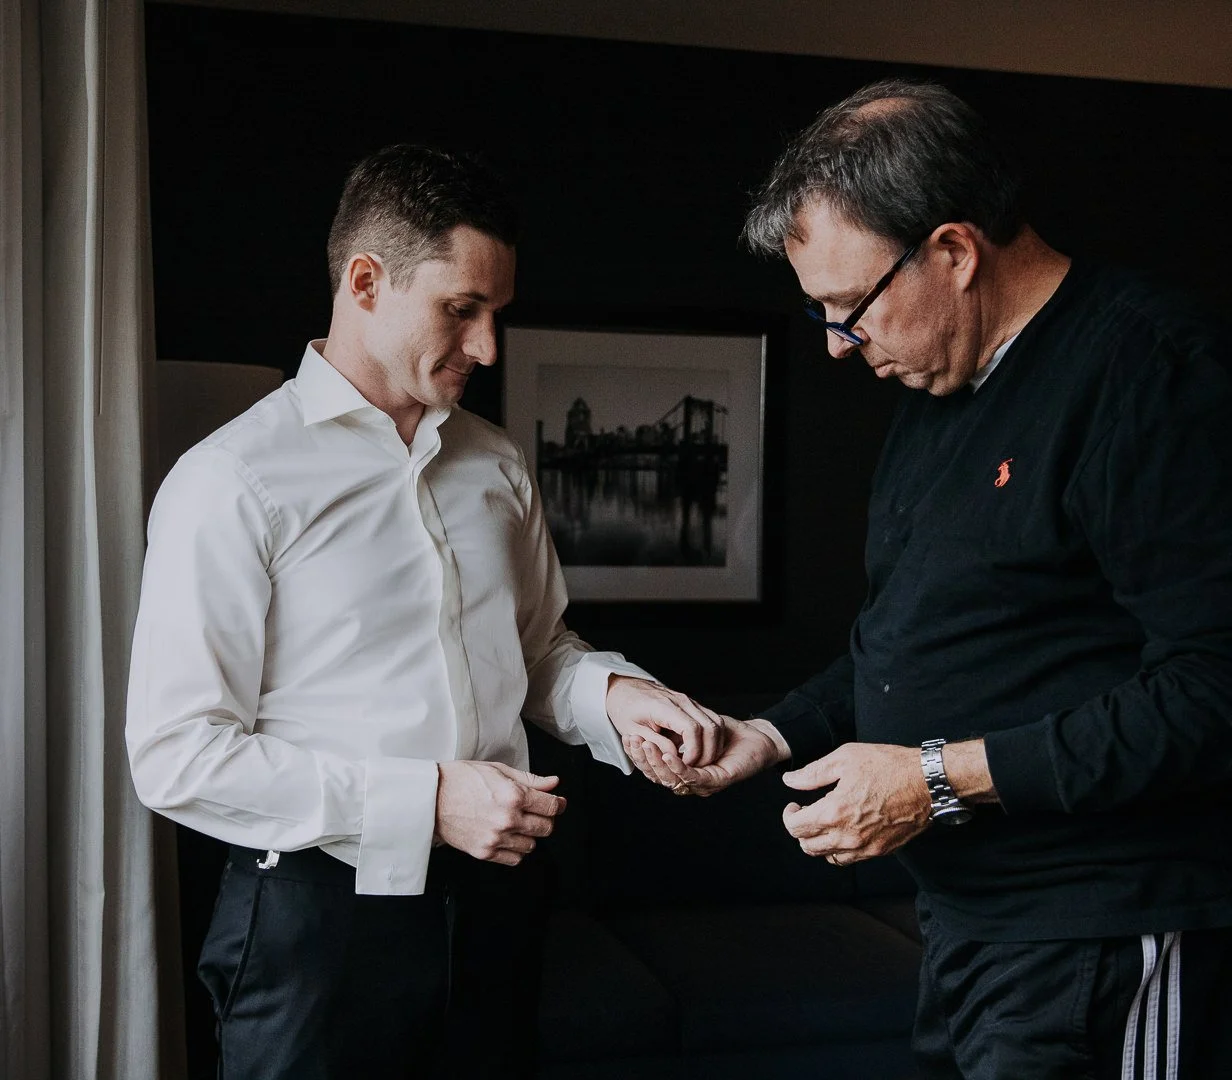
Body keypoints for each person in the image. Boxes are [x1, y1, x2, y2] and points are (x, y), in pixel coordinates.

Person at [626, 79, 1232, 1079]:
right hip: (965, 929)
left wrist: (937, 778)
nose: (834, 343)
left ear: (951, 252)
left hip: (1103, 930)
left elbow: (1214, 688)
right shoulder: (935, 385)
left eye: (846, 307)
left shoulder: (1149, 372)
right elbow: (903, 637)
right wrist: (768, 734)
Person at [125, 144, 725, 1080]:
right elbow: (177, 754)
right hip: (316, 930)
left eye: (496, 313)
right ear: (366, 281)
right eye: (460, 309)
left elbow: (538, 654)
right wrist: (428, 801)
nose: (487, 346)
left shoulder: (496, 463)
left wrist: (614, 698)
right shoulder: (230, 481)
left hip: (499, 906)